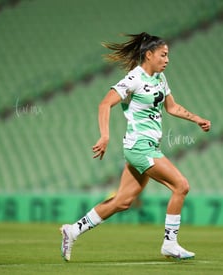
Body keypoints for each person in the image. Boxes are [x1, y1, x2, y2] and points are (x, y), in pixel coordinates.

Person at [60, 32, 211, 261]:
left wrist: (196, 118)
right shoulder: (134, 79)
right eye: (163, 55)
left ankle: (73, 230)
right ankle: (170, 243)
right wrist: (105, 136)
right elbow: (104, 104)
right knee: (181, 186)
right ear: (149, 55)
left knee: (122, 201)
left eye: (168, 55)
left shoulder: (160, 78)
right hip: (139, 148)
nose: (167, 59)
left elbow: (172, 107)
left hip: (149, 147)